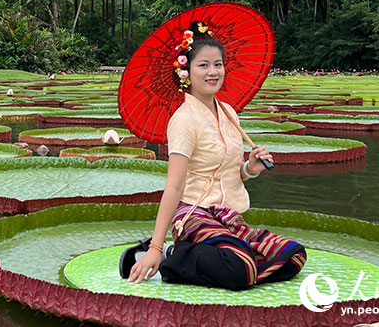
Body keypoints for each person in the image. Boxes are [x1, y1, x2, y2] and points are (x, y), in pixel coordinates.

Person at [120, 21, 307, 290]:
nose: (213, 72)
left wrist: (250, 168)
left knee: (293, 255)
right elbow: (174, 185)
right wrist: (156, 246)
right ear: (186, 71)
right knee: (240, 267)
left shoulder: (229, 112)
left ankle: (238, 267)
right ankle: (172, 257)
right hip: (193, 214)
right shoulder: (183, 120)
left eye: (218, 64)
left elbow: (225, 171)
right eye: (203, 65)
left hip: (226, 214)